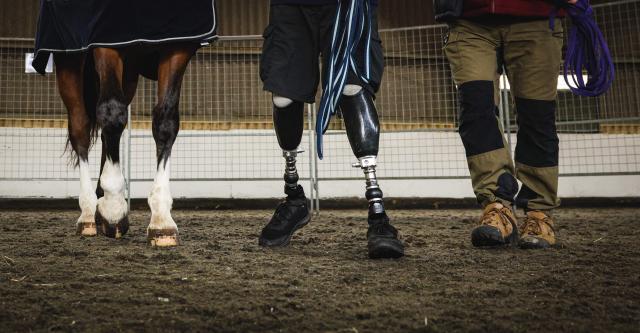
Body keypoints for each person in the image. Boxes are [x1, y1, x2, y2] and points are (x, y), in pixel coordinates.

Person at [258, 0, 404, 259]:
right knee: (284, 96)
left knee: (352, 87)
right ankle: (294, 198)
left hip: (344, 6)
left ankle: (378, 212)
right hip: (291, 7)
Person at [436, 0, 577, 249]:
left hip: (536, 18)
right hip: (470, 20)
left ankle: (538, 212)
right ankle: (497, 205)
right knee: (476, 111)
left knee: (537, 115)